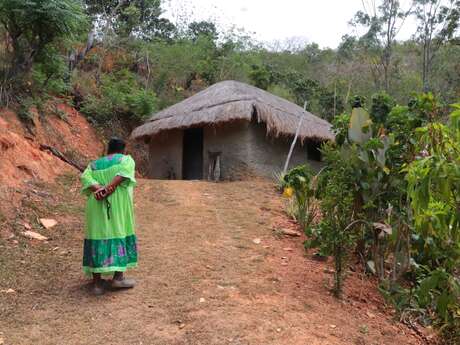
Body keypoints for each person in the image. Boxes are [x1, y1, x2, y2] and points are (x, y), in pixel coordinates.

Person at [80, 138, 138, 295]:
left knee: (96, 235)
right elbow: (123, 173)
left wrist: (100, 189)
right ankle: (118, 278)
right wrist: (110, 188)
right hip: (118, 205)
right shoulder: (126, 160)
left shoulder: (93, 164)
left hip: (96, 204)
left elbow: (85, 177)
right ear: (123, 150)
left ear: (108, 150)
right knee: (119, 232)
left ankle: (97, 284)